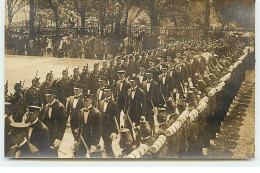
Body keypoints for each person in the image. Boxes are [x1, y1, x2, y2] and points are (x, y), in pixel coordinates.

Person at [74, 93, 102, 158]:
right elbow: (80, 127)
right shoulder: (81, 111)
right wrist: (77, 139)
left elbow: (99, 130)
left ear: (91, 101)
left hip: (92, 140)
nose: (85, 102)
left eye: (87, 101)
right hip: (82, 139)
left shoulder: (96, 113)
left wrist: (95, 143)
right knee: (79, 157)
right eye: (83, 100)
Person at [41, 89, 67, 157]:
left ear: (54, 96)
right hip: (47, 135)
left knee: (53, 155)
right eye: (46, 96)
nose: (48, 98)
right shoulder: (46, 106)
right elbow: (43, 121)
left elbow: (63, 124)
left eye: (50, 96)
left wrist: (59, 138)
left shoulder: (60, 107)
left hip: (55, 135)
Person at [98, 85, 119, 158]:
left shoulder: (114, 104)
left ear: (111, 92)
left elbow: (117, 119)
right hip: (100, 127)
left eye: (107, 91)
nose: (105, 93)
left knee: (108, 145)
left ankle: (112, 158)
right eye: (104, 91)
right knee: (97, 145)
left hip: (108, 128)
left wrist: (115, 131)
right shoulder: (101, 102)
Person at [141, 69, 160, 134]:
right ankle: (147, 132)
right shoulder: (143, 83)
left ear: (152, 75)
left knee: (151, 118)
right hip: (145, 104)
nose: (148, 76)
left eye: (150, 75)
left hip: (151, 104)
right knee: (146, 118)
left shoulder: (155, 84)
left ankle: (153, 131)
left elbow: (157, 96)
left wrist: (155, 106)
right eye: (147, 75)